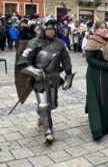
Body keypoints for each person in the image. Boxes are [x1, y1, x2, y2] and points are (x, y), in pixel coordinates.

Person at [17, 15, 74, 144]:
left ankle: (42, 119)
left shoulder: (60, 43)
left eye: (53, 29)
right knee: (43, 105)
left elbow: (66, 61)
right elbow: (22, 62)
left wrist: (68, 78)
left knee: (53, 105)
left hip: (53, 78)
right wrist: (34, 71)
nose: (51, 31)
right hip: (40, 79)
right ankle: (48, 131)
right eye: (48, 29)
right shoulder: (33, 43)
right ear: (43, 29)